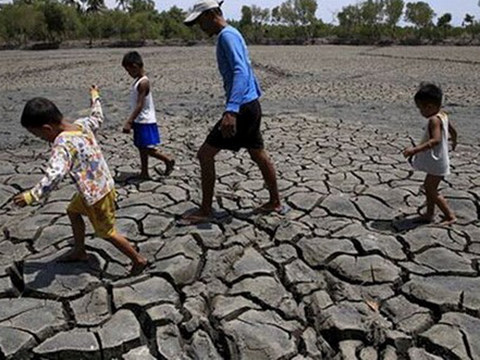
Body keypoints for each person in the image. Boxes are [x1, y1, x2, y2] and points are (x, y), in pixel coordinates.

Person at [13, 86, 148, 275]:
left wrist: (31, 196)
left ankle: (138, 259)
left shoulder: (63, 144)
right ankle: (79, 250)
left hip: (96, 196)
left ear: (47, 128)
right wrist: (95, 97)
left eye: (40, 136)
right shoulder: (82, 124)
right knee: (73, 211)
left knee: (107, 232)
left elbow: (55, 174)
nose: (42, 139)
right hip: (100, 187)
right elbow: (97, 116)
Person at [181, 0, 285, 225]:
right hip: (250, 104)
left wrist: (232, 110)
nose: (201, 27)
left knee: (205, 154)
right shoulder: (233, 33)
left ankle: (206, 210)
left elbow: (239, 71)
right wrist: (251, 99)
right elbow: (247, 70)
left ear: (211, 15)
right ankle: (275, 201)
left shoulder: (226, 36)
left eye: (200, 21)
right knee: (257, 153)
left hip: (242, 107)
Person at [403, 83, 457, 225]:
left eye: (421, 108)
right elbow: (453, 130)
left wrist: (414, 150)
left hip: (437, 162)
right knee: (429, 187)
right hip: (439, 160)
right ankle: (429, 214)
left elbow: (435, 140)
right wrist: (454, 140)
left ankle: (450, 215)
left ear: (430, 107)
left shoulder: (434, 120)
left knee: (432, 190)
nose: (420, 112)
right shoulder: (443, 115)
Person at [122, 51, 175, 179]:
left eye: (129, 71)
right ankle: (144, 172)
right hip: (140, 120)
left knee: (146, 148)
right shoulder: (138, 81)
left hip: (145, 120)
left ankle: (167, 159)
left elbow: (140, 104)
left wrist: (129, 121)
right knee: (141, 147)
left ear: (135, 66)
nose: (129, 74)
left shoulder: (143, 83)